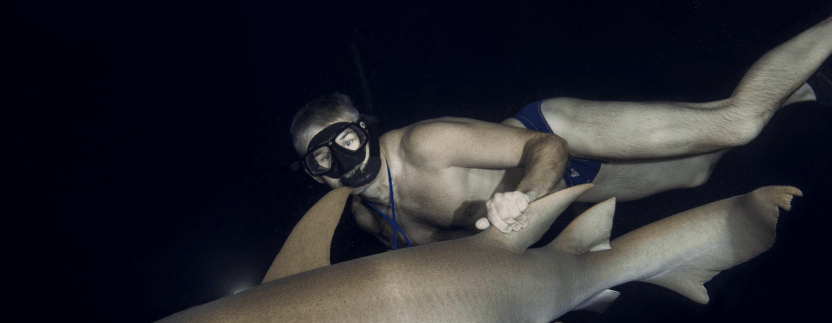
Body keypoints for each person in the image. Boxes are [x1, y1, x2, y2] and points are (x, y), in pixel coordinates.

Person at [289, 15, 832, 249]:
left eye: (343, 139)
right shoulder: (368, 219)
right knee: (698, 169)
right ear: (313, 175)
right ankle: (812, 88)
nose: (339, 159)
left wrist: (523, 194)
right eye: (321, 159)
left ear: (362, 128)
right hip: (562, 194)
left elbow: (546, 148)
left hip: (551, 137)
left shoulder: (423, 144)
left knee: (735, 124)